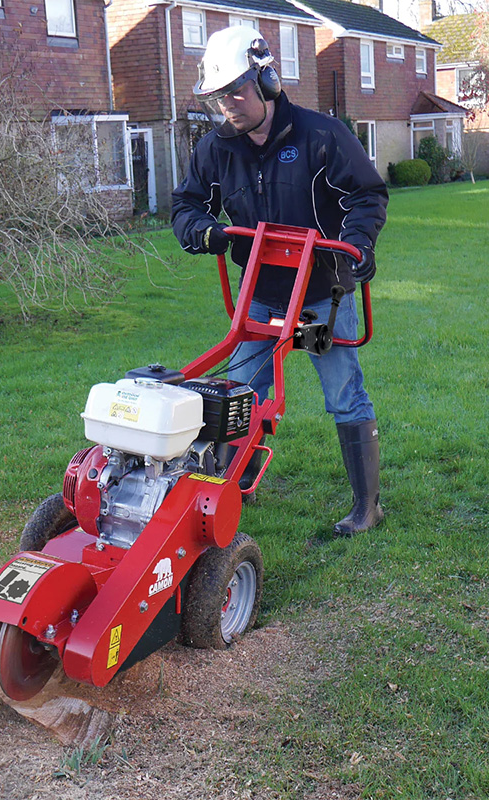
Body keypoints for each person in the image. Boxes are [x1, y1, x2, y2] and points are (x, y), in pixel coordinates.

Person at [171, 25, 388, 535]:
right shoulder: (215, 149)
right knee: (239, 393)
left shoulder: (322, 136)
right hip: (262, 297)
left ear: (267, 80)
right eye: (220, 95)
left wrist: (358, 243)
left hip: (322, 297)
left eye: (237, 91)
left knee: (343, 393)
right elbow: (186, 204)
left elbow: (367, 195)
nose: (229, 104)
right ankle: (229, 490)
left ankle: (366, 506)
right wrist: (201, 231)